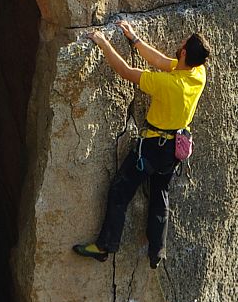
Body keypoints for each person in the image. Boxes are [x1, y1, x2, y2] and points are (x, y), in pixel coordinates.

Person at [73, 20, 209, 269]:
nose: (178, 46)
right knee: (160, 195)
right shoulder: (197, 74)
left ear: (185, 53)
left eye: (182, 45)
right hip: (174, 150)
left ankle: (105, 246)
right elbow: (160, 61)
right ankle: (157, 252)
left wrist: (103, 43)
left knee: (119, 192)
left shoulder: (168, 84)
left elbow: (125, 72)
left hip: (152, 148)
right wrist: (134, 39)